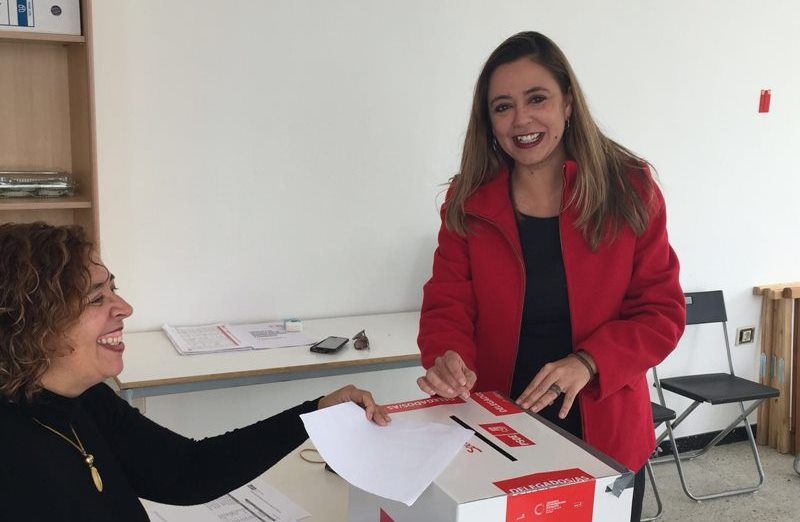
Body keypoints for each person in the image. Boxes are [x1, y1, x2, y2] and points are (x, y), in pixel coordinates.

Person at [416, 31, 685, 521]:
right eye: (503, 107)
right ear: (489, 122)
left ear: (567, 102)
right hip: (498, 429)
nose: (521, 119)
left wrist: (589, 361)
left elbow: (660, 313)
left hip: (604, 430)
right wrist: (446, 355)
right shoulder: (467, 199)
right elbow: (447, 305)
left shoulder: (629, 187)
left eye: (536, 98)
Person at [0, 222, 390, 521]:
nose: (125, 308)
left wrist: (316, 412)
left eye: (113, 289)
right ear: (33, 323)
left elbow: (187, 471)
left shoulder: (88, 400)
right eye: (96, 298)